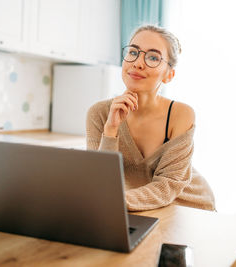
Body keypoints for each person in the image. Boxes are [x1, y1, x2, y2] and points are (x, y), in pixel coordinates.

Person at [86, 25, 215, 212]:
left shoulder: (180, 115)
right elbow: (100, 185)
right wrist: (111, 131)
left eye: (153, 57)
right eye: (133, 52)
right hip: (139, 209)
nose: (138, 63)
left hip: (189, 208)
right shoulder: (99, 113)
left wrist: (114, 202)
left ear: (169, 75)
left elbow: (167, 186)